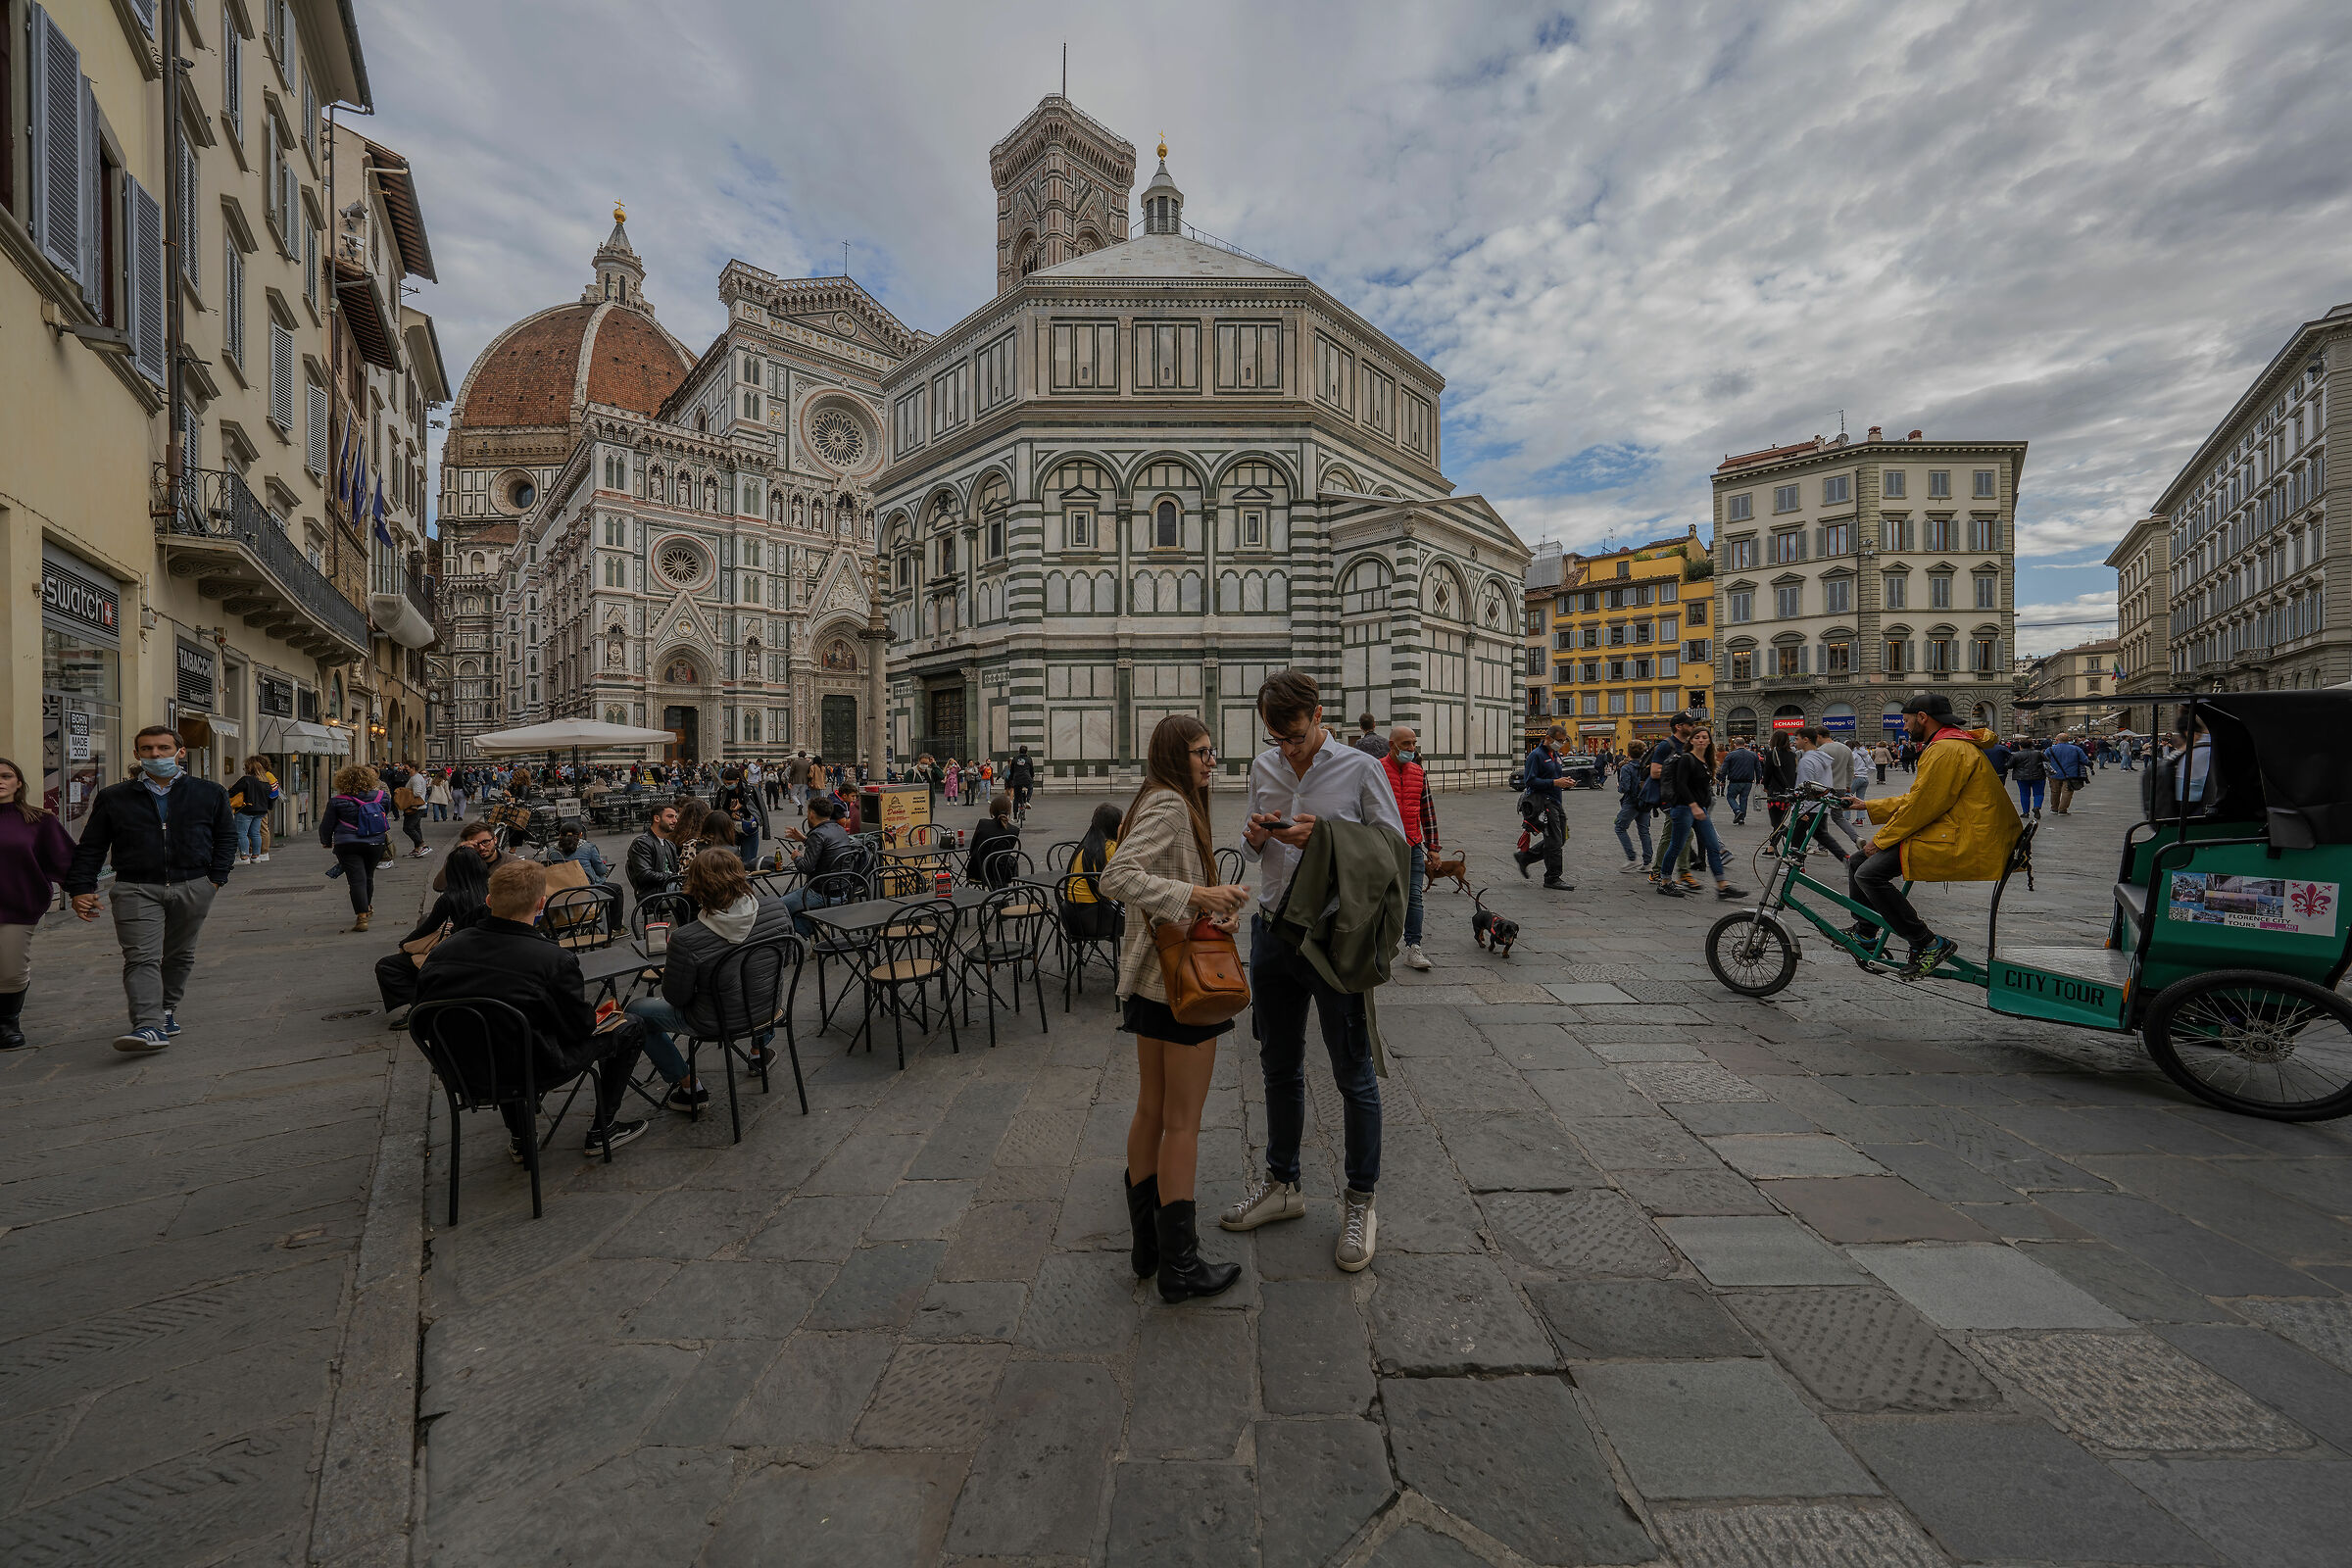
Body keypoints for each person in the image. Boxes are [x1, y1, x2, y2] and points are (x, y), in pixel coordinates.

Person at [1221, 669, 1405, 1274]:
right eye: (1277, 738)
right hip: (1273, 930)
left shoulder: (1360, 768)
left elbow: (1394, 850)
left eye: (1295, 735)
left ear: (1319, 716)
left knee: (1352, 1072)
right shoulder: (1264, 766)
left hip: (1331, 938)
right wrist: (1254, 838)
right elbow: (1255, 851)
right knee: (1278, 1065)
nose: (1288, 749)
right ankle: (1283, 1185)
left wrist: (1323, 834)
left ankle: (1360, 1201)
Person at [1098, 713, 1252, 1303]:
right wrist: (1198, 895)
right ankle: (1180, 1267)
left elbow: (1156, 885)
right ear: (1173, 757)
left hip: (1150, 980)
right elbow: (1117, 876)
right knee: (1181, 1122)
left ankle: (1148, 1247)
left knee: (1152, 1112)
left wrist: (1211, 910)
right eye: (1200, 753)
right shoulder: (1167, 806)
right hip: (1181, 987)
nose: (1211, 763)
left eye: (1212, 752)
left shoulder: (1155, 800)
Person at [412, 858, 650, 1158]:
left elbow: (420, 1022)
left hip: (463, 1072)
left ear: (488, 901)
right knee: (631, 1025)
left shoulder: (443, 952)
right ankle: (605, 1127)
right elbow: (579, 1028)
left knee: (502, 1036)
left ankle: (522, 1137)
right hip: (532, 1068)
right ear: (541, 905)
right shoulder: (551, 959)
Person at [62, 725, 236, 1053]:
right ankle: (147, 1025)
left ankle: (167, 1009)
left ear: (180, 752)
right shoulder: (115, 796)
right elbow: (92, 846)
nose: (155, 755)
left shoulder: (209, 792)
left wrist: (215, 879)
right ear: (137, 755)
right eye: (147, 750)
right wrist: (81, 888)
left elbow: (226, 837)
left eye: (163, 748)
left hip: (193, 884)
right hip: (135, 887)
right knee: (140, 956)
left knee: (179, 954)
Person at [1841, 691, 2020, 978]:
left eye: (1907, 720)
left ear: (1922, 718)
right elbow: (1921, 797)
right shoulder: (1948, 744)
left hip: (1964, 836)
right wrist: (1869, 805)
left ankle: (1928, 943)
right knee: (1857, 862)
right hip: (1955, 828)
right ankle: (1864, 932)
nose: (1904, 727)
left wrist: (1881, 839)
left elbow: (1923, 806)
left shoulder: (1946, 749)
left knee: (1867, 873)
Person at [626, 849, 796, 1113]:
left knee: (637, 1012)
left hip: (714, 1020)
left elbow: (676, 998)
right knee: (759, 980)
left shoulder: (687, 938)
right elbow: (784, 961)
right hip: (769, 1008)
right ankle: (758, 1051)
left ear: (696, 887)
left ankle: (688, 1086)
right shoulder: (777, 908)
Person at [0, 757, 76, 1051]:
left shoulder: (39, 821)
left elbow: (63, 860)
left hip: (18, 906)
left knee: (9, 969)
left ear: (18, 783)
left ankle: (7, 1023)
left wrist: (82, 892)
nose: (0, 781)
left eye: (6, 776)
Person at [376, 845, 492, 1027]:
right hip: (482, 950)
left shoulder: (450, 898)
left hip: (456, 953)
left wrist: (405, 942)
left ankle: (418, 1005)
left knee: (388, 966)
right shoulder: (490, 893)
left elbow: (428, 927)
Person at [1654, 726, 1748, 901]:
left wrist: (1702, 805)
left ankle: (1722, 886)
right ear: (1691, 741)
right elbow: (1681, 785)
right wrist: (1694, 805)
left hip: (1700, 809)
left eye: (1704, 737)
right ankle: (1665, 881)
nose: (1701, 740)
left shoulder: (1706, 760)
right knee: (1676, 845)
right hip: (1684, 808)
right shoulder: (1686, 759)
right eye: (1697, 737)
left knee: (1713, 846)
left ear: (1709, 741)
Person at [1380, 725, 1439, 970]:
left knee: (1414, 896)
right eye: (1406, 744)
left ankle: (1414, 947)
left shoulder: (1418, 772)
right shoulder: (1377, 770)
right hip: (1383, 844)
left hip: (1413, 844)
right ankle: (1377, 946)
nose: (1411, 749)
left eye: (1414, 744)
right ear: (1392, 745)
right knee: (1381, 897)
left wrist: (1433, 846)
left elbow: (1427, 810)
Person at [318, 764, 391, 933]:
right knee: (368, 876)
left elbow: (327, 824)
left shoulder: (337, 801)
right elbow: (383, 814)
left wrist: (326, 841)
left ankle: (362, 916)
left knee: (356, 880)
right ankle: (367, 907)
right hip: (375, 842)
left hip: (347, 843)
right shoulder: (382, 797)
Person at [778, 794, 858, 935]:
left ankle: (816, 931)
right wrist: (804, 839)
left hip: (821, 893)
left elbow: (806, 867)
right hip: (842, 889)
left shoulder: (818, 834)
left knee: (779, 907)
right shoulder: (839, 829)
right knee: (796, 910)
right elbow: (827, 849)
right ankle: (816, 929)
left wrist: (796, 857)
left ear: (811, 813)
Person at [1062, 802, 1126, 944]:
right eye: (1122, 823)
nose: (1125, 826)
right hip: (1096, 921)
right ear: (1113, 825)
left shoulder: (1085, 847)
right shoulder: (1111, 847)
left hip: (1072, 918)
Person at [1514, 729, 1569, 889]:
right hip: (1543, 802)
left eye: (1563, 741)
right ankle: (1552, 877)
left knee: (1561, 838)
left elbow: (1554, 777)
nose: (1561, 744)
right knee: (1555, 840)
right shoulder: (1536, 755)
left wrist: (1565, 781)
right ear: (1548, 738)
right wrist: (1555, 783)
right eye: (1559, 740)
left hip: (1556, 801)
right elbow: (1530, 781)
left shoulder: (1556, 755)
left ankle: (1525, 857)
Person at [1788, 728, 1854, 858]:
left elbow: (1806, 786)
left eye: (1797, 739)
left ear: (1806, 740)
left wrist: (1801, 810)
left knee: (1797, 836)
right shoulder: (1822, 758)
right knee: (1820, 834)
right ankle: (1846, 858)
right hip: (1820, 804)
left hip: (1808, 807)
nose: (1795, 742)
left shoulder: (1806, 760)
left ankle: (1794, 865)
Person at [1612, 740, 1655, 872]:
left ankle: (1632, 858)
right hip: (1645, 802)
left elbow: (1625, 788)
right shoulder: (1647, 767)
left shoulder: (1626, 768)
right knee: (1644, 831)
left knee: (1619, 827)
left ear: (1628, 753)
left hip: (1631, 802)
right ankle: (1647, 862)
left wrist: (1619, 787)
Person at [627, 805, 684, 904]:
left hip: (668, 888)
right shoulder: (642, 843)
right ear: (656, 818)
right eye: (670, 816)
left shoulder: (669, 844)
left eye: (675, 817)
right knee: (697, 892)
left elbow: (677, 866)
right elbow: (645, 875)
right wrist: (675, 876)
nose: (675, 821)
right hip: (654, 893)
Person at [967, 794, 1021, 888]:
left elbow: (972, 851)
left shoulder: (982, 823)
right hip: (1001, 873)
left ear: (992, 809)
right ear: (1009, 810)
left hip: (979, 871)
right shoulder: (1014, 830)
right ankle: (1001, 896)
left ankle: (997, 896)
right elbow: (1005, 854)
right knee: (1004, 862)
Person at [228, 756, 274, 864]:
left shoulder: (246, 780)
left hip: (246, 810)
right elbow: (270, 798)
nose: (245, 770)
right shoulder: (266, 783)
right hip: (261, 811)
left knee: (241, 833)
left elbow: (231, 792)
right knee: (255, 833)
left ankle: (244, 857)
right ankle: (256, 856)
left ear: (250, 768)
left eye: (245, 768)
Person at [383, 760, 428, 858]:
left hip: (415, 807)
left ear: (412, 768)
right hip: (417, 806)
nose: (404, 769)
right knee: (416, 827)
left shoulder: (415, 778)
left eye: (406, 767)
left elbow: (417, 792)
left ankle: (422, 845)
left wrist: (402, 793)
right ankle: (417, 849)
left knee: (408, 827)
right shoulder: (414, 778)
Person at [549, 826, 616, 886]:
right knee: (617, 889)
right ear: (580, 835)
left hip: (560, 889)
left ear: (560, 835)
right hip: (587, 888)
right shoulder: (589, 847)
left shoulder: (551, 850)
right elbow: (600, 869)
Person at [1760, 731, 1799, 830]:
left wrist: (1765, 786)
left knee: (1776, 822)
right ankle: (1772, 845)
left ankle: (1795, 840)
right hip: (1788, 790)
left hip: (1775, 789)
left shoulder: (1772, 753)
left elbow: (1767, 772)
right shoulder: (1792, 755)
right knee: (1780, 819)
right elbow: (1794, 773)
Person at [1718, 738, 1759, 824]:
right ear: (1744, 744)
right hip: (1748, 781)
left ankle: (1737, 811)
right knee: (1744, 799)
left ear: (1735, 744)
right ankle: (1741, 818)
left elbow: (1724, 768)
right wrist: (1758, 780)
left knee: (1730, 797)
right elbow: (1758, 768)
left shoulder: (1731, 755)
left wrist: (1722, 780)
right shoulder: (1753, 755)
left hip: (1735, 780)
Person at [2045, 732, 2088, 814]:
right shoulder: (2076, 749)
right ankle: (2062, 809)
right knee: (2067, 792)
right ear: (2068, 740)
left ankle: (2054, 809)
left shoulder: (2050, 749)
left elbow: (2044, 760)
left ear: (2057, 740)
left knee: (2054, 792)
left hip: (2054, 774)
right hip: (2071, 774)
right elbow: (2084, 760)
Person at [2009, 738, 2048, 820]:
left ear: (2020, 746)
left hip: (2022, 777)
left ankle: (2025, 812)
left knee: (2024, 794)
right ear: (2031, 746)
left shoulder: (2016, 755)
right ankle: (2037, 806)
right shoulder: (2038, 753)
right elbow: (2047, 761)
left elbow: (2009, 765)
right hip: (2038, 776)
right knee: (2039, 793)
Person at [1008, 745, 1037, 825]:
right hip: (1027, 779)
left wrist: (1011, 779)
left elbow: (1012, 770)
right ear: (1026, 751)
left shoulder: (1015, 759)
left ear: (1019, 751)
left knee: (1016, 798)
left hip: (1017, 780)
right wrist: (1032, 777)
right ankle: (1027, 801)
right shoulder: (1029, 759)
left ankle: (1014, 817)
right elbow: (1031, 769)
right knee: (1030, 787)